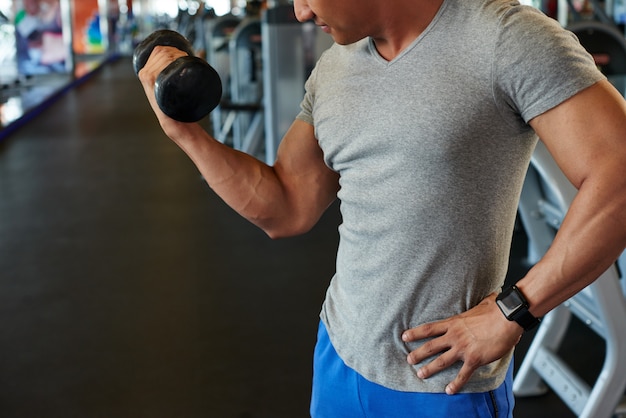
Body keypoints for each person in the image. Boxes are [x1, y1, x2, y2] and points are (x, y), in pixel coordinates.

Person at [138, 0, 626, 416]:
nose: (300, 12)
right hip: (339, 354)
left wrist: (514, 309)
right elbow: (286, 206)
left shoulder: (505, 37)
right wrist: (184, 134)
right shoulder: (333, 67)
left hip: (444, 382)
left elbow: (618, 175)